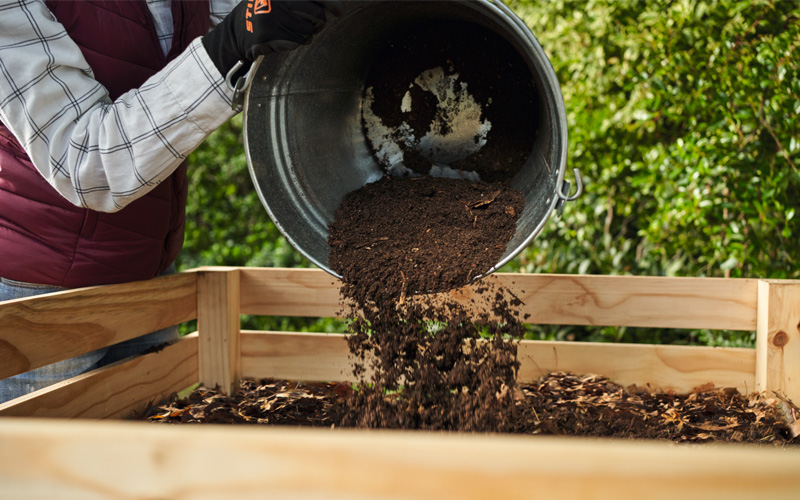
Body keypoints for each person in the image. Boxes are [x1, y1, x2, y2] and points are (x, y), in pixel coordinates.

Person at [0, 0, 339, 403]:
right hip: (40, 306)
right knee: (37, 464)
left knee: (152, 458)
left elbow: (257, 17)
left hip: (149, 281)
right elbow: (87, 159)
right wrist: (227, 47)